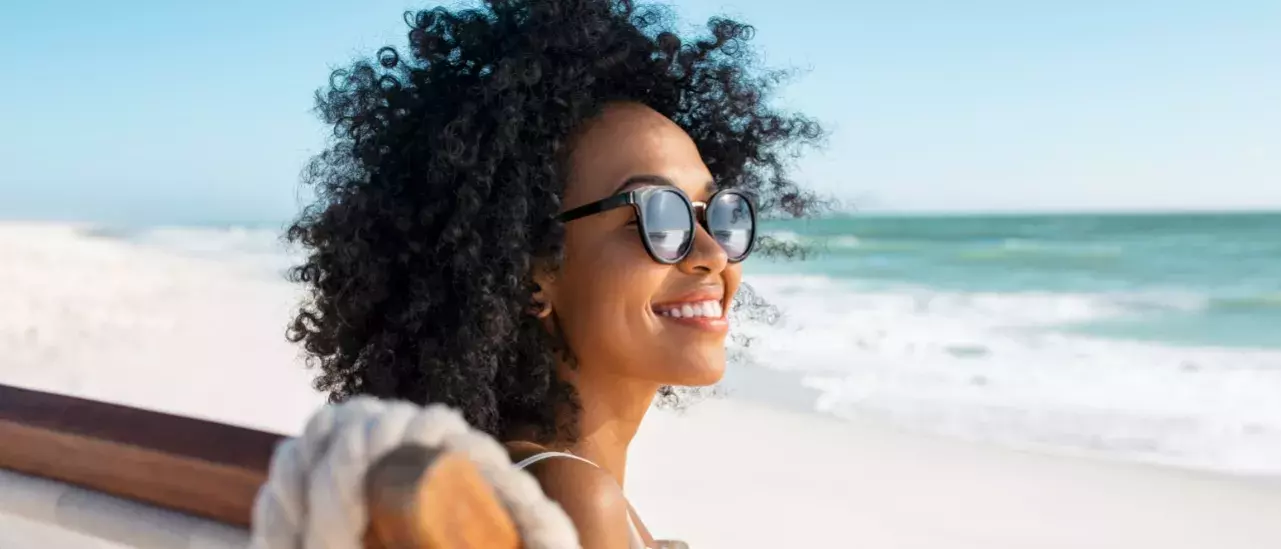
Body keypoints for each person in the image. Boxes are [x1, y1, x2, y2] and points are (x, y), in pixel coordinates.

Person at [284, 0, 821, 546]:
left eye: (720, 215)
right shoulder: (575, 499)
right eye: (660, 215)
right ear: (532, 270)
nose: (712, 252)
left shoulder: (524, 476)